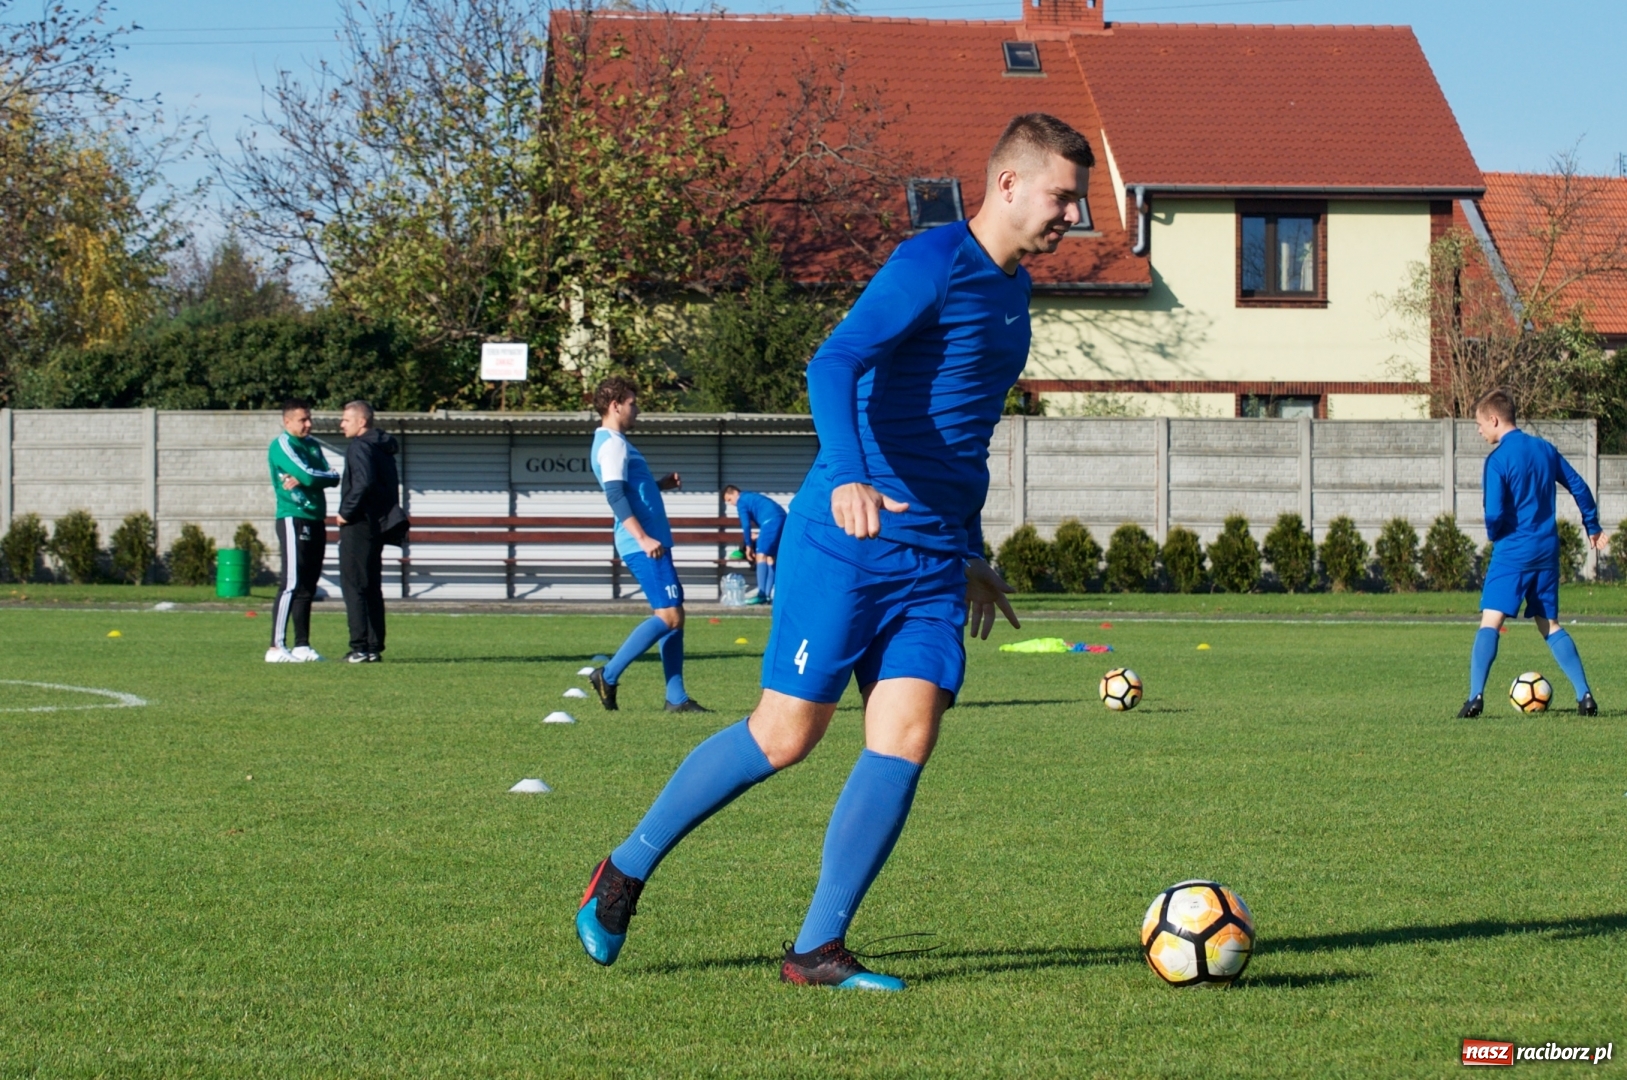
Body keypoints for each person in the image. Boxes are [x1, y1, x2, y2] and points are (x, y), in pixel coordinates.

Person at [575, 112, 1091, 990]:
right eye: (1062, 198)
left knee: (907, 733)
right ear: (1008, 185)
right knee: (785, 737)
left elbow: (958, 436)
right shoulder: (930, 262)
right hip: (845, 546)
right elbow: (834, 361)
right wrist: (847, 473)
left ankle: (816, 949)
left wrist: (968, 548)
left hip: (932, 564)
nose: (1072, 219)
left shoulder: (1013, 293)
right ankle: (621, 872)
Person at [1458, 388, 1606, 717]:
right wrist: (1592, 526)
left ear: (1494, 420)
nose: (1479, 431)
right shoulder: (1544, 449)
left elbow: (1494, 513)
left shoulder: (1498, 460)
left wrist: (1496, 535)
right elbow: (1579, 486)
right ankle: (1585, 695)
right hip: (1546, 549)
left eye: (1480, 424)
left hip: (1513, 548)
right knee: (1549, 624)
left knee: (1491, 621)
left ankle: (1475, 697)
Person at [587, 376, 708, 713]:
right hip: (641, 543)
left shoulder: (616, 442)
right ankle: (608, 675)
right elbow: (614, 494)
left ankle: (676, 698)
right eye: (632, 403)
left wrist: (659, 486)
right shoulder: (612, 443)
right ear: (615, 406)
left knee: (673, 614)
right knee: (669, 616)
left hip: (649, 541)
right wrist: (642, 537)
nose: (636, 409)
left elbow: (630, 489)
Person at [266, 398, 341, 663]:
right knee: (291, 582)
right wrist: (312, 477)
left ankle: (302, 645)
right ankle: (276, 647)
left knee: (308, 585)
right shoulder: (282, 445)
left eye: (309, 418)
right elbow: (312, 476)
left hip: (316, 518)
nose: (308, 424)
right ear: (287, 422)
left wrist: (312, 476)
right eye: (302, 420)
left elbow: (334, 476)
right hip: (292, 518)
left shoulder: (312, 445)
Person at [336, 400, 401, 664]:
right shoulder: (381, 447)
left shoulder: (360, 446)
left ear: (361, 422)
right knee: (372, 585)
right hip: (376, 524)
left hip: (359, 524)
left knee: (354, 586)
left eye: (346, 420)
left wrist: (345, 512)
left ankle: (359, 647)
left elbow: (363, 483)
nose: (342, 424)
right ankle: (374, 647)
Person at [723, 485, 786, 604]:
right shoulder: (751, 496)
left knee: (760, 555)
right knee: (770, 558)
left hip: (770, 521)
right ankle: (767, 596)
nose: (731, 504)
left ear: (735, 493)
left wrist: (748, 546)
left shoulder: (742, 501)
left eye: (729, 500)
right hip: (782, 518)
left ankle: (761, 594)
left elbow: (746, 525)